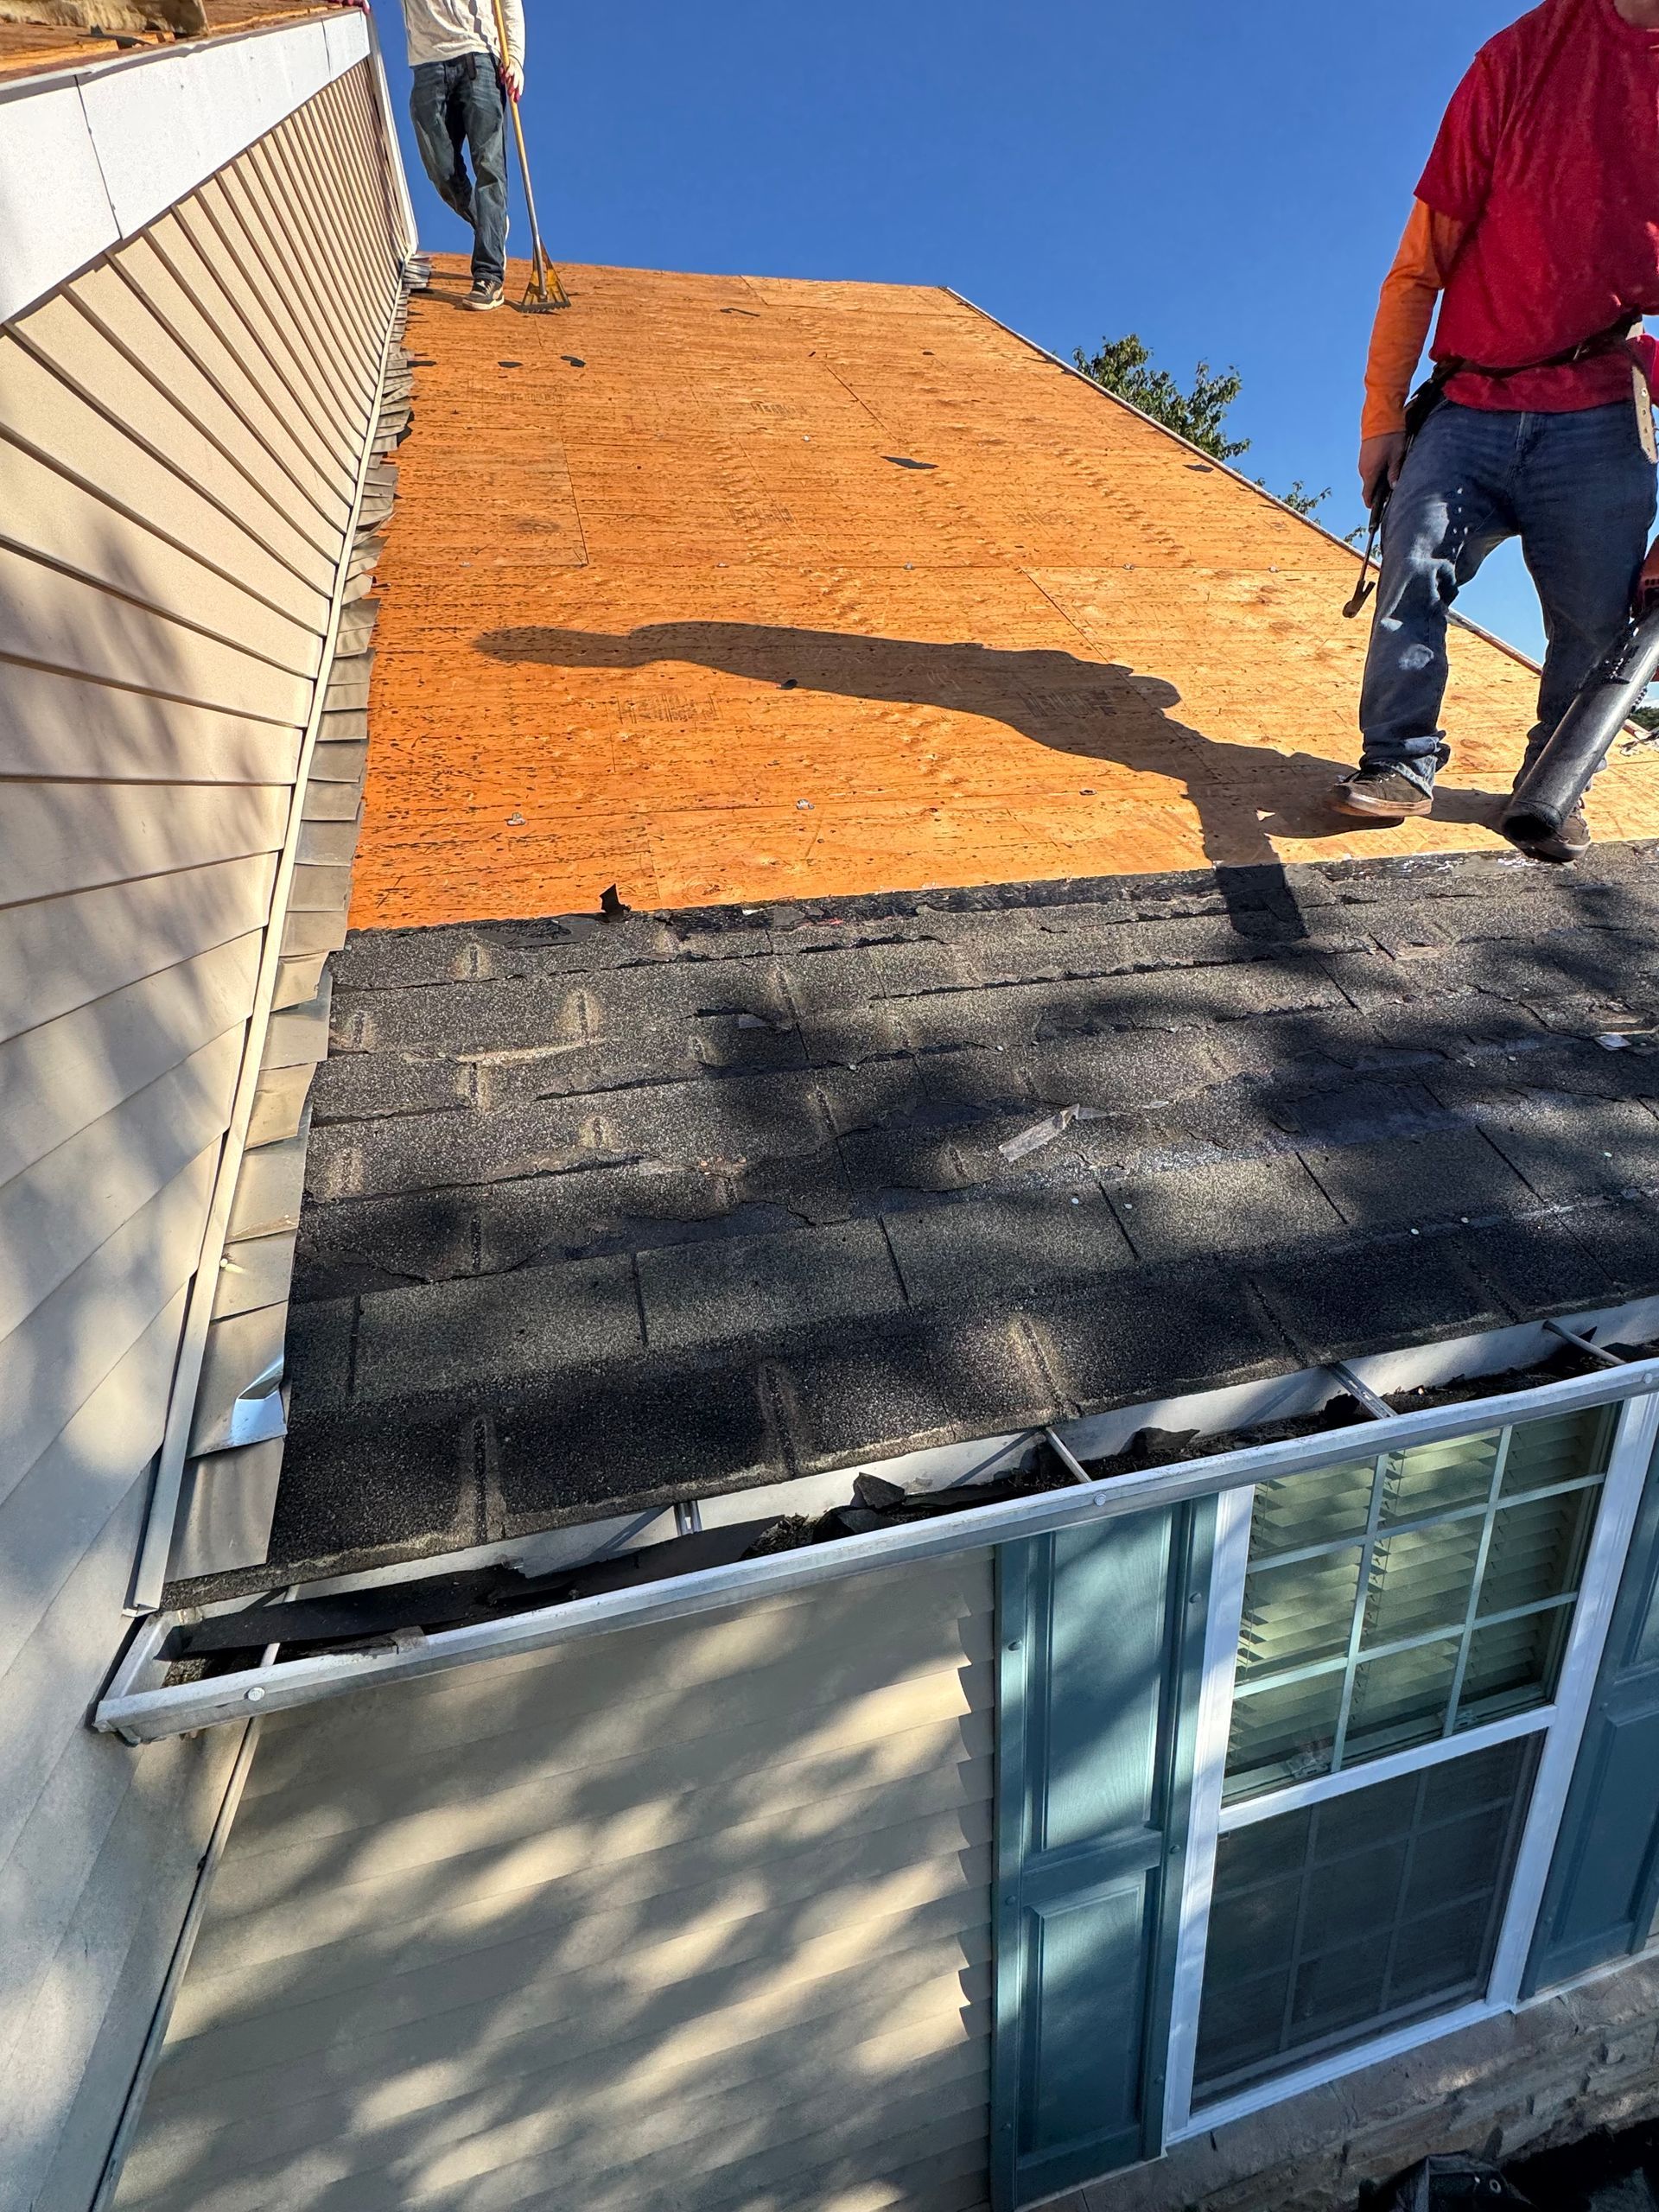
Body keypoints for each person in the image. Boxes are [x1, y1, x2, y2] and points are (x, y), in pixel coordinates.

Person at [1331, 0, 1659, 862]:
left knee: (1595, 618)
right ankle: (1398, 760)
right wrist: (1382, 418)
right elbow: (1419, 264)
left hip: (1601, 402)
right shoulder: (1520, 57)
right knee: (1414, 558)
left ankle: (1553, 782)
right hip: (1470, 397)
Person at [399, 0, 525, 311]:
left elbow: (509, 4)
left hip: (479, 59)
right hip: (428, 62)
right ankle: (489, 223)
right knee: (441, 169)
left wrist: (517, 60)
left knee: (489, 167)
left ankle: (489, 273)